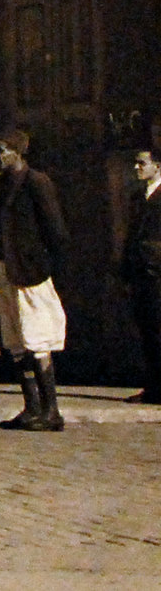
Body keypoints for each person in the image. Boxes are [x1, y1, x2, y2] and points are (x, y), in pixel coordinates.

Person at [0, 129, 68, 431]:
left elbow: (56, 232)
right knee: (16, 340)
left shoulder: (36, 182)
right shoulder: (2, 185)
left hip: (29, 273)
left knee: (38, 338)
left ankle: (51, 410)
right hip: (6, 270)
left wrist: (42, 266)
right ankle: (31, 407)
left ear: (18, 152)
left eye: (1, 150)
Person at [121, 147, 161, 404]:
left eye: (142, 163)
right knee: (147, 330)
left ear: (157, 166)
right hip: (141, 274)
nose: (137, 168)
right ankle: (154, 387)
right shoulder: (138, 196)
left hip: (158, 271)